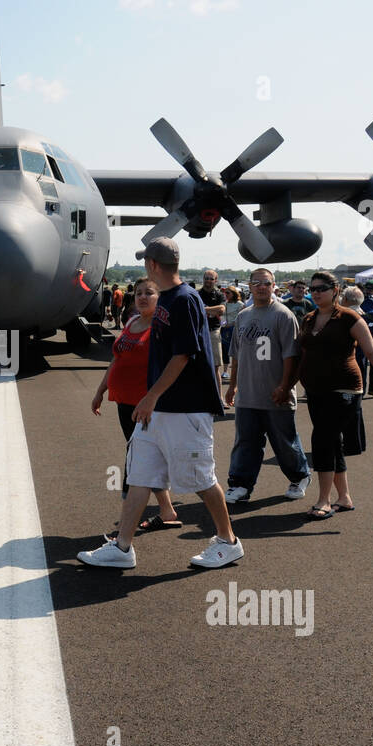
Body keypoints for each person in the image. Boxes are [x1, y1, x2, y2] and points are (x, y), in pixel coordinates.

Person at [77, 237, 243, 570]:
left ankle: (228, 541)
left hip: (185, 407)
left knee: (200, 478)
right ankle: (122, 547)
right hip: (160, 408)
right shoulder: (167, 299)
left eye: (144, 262)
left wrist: (151, 395)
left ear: (153, 265)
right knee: (140, 473)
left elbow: (184, 354)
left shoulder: (184, 299)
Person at [288, 271, 373, 519]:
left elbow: (372, 352)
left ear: (335, 291)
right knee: (332, 443)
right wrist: (287, 385)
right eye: (313, 288)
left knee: (323, 440)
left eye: (322, 288)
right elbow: (302, 357)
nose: (316, 292)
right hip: (316, 390)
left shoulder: (349, 318)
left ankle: (323, 500)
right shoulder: (308, 318)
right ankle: (345, 498)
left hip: (344, 389)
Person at [91, 278, 182, 538]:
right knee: (141, 456)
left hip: (145, 403)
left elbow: (174, 365)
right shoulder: (132, 323)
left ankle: (127, 519)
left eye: (149, 293)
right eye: (139, 293)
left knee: (137, 458)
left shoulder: (162, 327)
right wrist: (100, 390)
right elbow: (116, 360)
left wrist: (155, 397)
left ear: (160, 296)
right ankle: (167, 512)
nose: (142, 297)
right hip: (124, 401)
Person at [223, 268, 311, 504]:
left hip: (275, 394)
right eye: (257, 283)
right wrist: (232, 386)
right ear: (250, 287)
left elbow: (291, 357)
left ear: (275, 286)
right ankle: (240, 484)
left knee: (284, 442)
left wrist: (284, 386)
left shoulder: (283, 315)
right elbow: (236, 355)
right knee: (246, 442)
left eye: (266, 283)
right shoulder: (243, 315)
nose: (261, 287)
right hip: (248, 395)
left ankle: (300, 476)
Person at [197, 269, 226, 394]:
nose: (208, 281)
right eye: (206, 278)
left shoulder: (219, 295)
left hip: (214, 331)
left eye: (211, 278)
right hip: (199, 331)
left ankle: (219, 398)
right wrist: (211, 311)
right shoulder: (196, 294)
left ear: (216, 280)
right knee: (198, 366)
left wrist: (204, 309)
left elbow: (221, 309)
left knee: (215, 367)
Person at [219, 285, 243, 383]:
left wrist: (231, 324)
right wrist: (223, 324)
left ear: (233, 294)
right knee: (225, 350)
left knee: (235, 350)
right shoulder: (223, 304)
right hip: (224, 329)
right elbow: (220, 317)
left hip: (234, 329)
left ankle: (237, 372)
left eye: (228, 293)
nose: (226, 294)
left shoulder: (240, 304)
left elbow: (241, 317)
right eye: (225, 293)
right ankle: (225, 371)